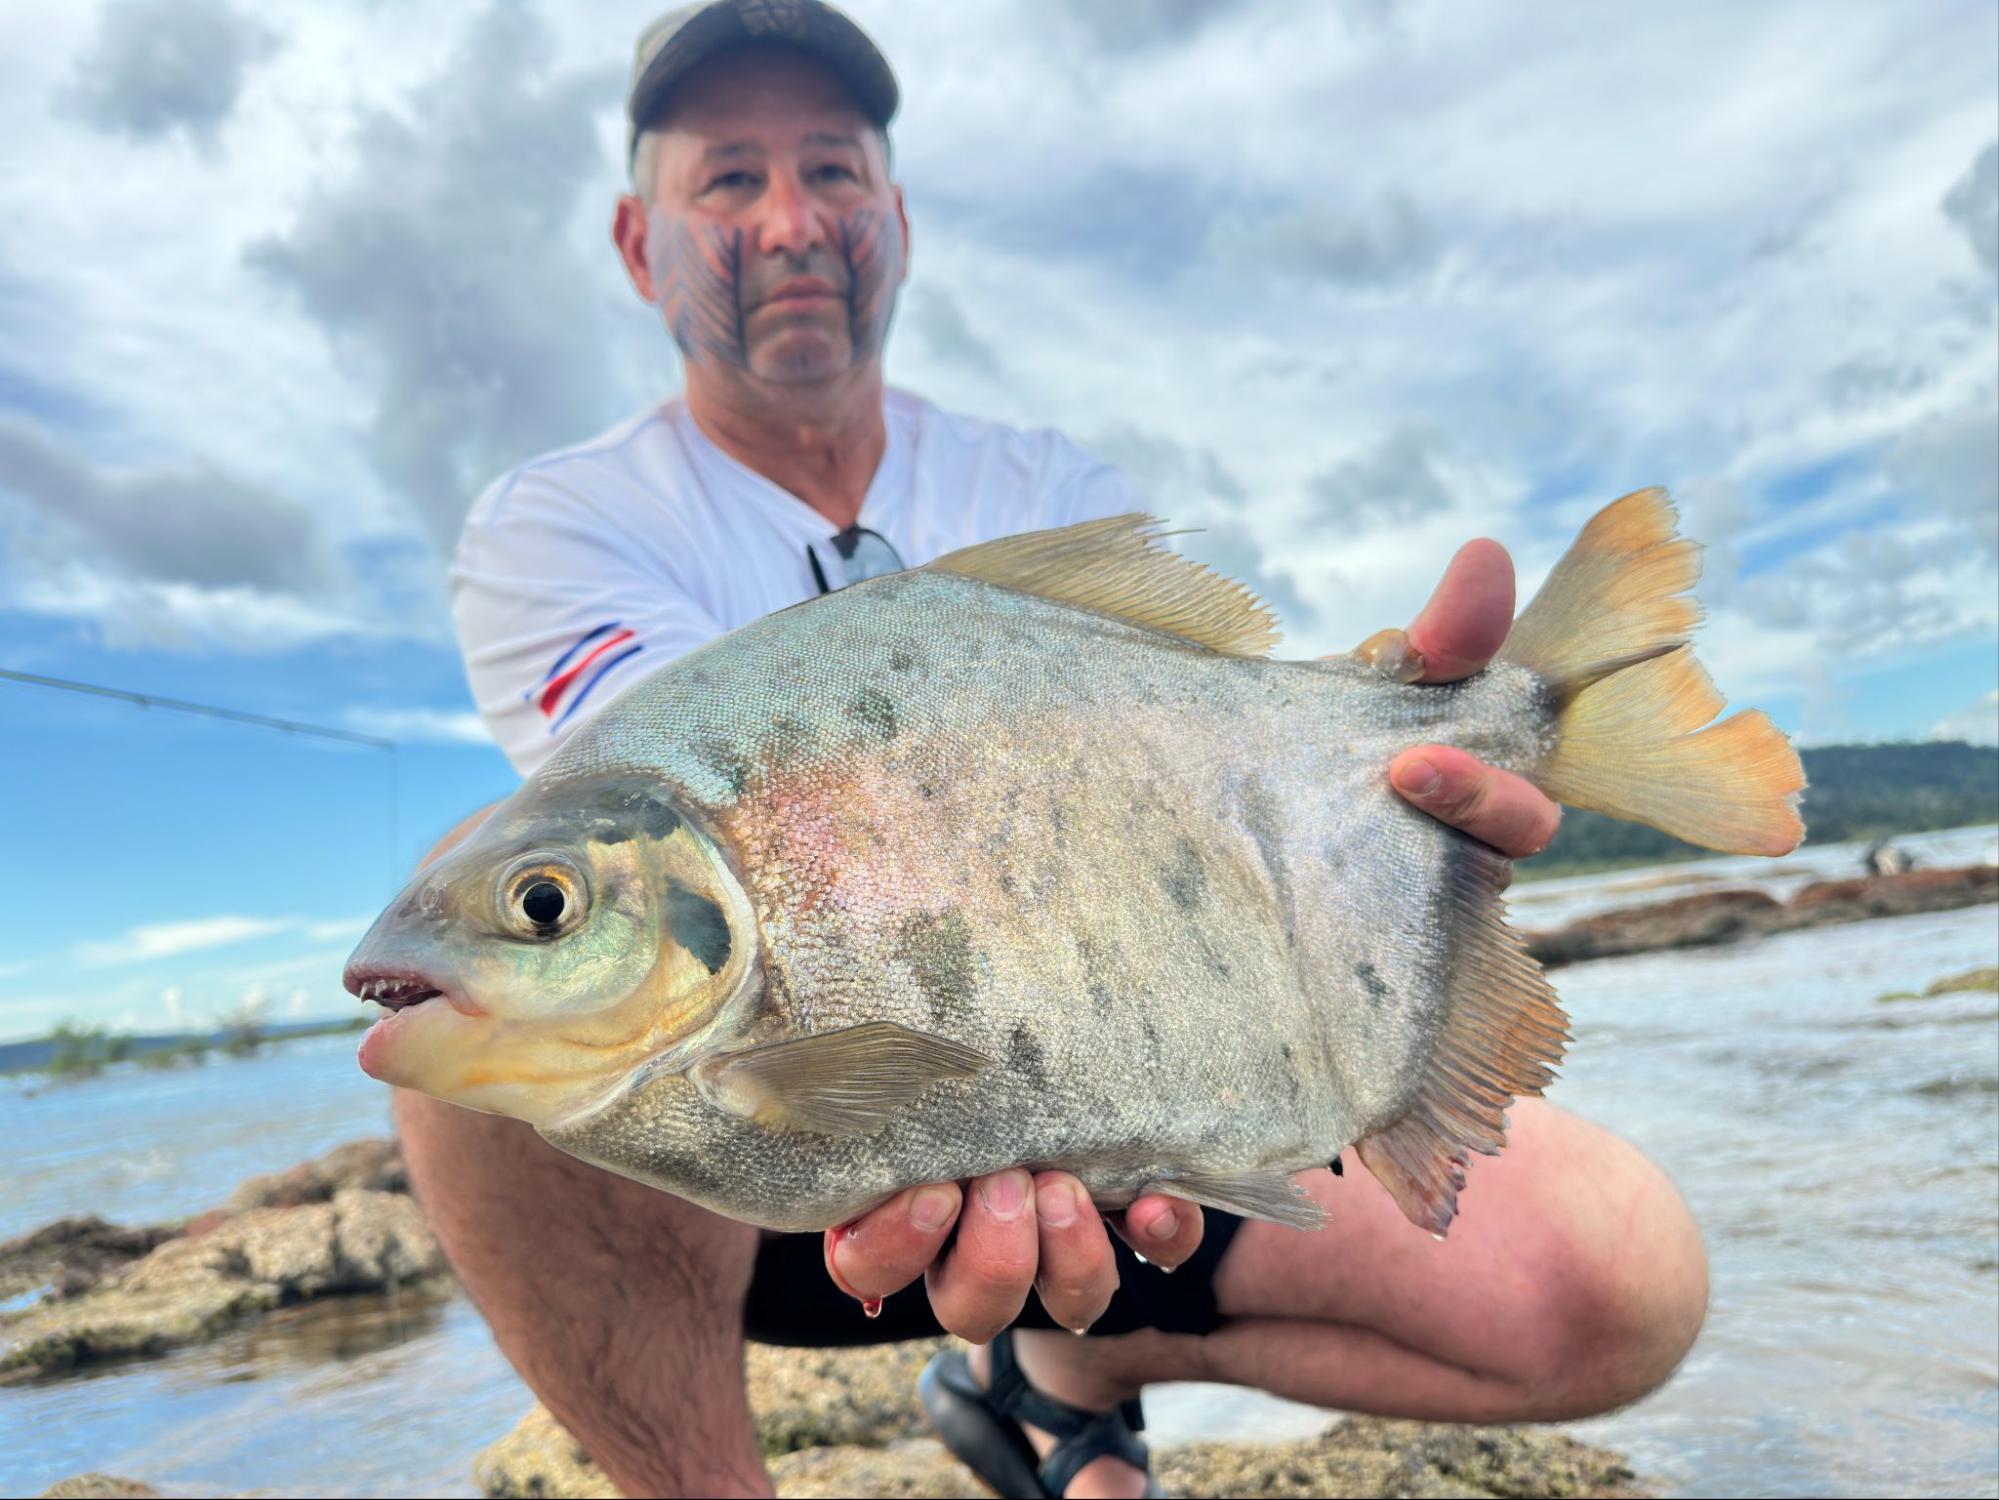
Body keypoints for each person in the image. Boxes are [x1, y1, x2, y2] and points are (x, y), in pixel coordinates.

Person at [396, 4, 1709, 1496]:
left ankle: (1065, 1363)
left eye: (832, 172)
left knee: (1624, 1282)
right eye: (728, 180)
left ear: (894, 219)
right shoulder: (558, 527)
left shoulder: (1042, 485)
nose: (789, 221)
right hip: (760, 1176)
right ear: (640, 245)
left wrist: (1413, 784)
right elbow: (660, 809)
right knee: (474, 907)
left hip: (1151, 1097)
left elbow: (1217, 769)